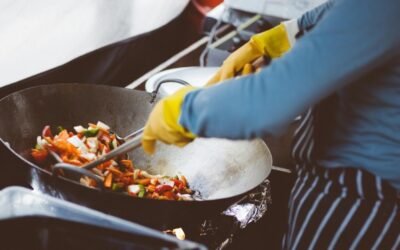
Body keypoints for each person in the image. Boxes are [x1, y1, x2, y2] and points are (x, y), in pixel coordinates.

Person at [141, 0, 400, 248]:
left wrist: (184, 111)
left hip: (361, 201)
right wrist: (287, 34)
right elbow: (347, 11)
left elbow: (269, 101)